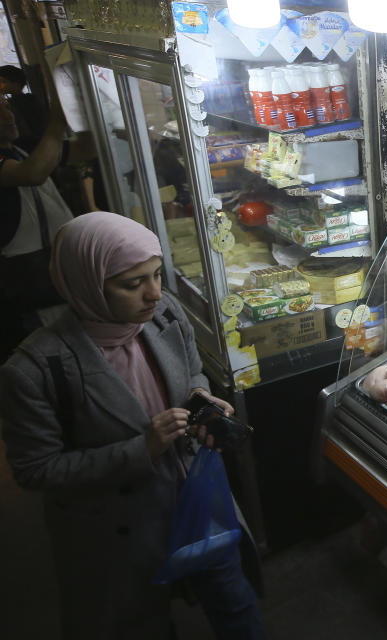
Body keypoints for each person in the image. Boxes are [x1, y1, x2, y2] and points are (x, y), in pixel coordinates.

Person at [0, 211, 265, 640]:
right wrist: (142, 448)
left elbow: (192, 372)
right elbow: (36, 469)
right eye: (132, 283)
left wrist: (201, 400)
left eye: (157, 274)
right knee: (141, 622)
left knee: (234, 601)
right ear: (86, 284)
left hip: (196, 499)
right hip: (120, 527)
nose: (154, 293)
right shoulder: (34, 370)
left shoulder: (163, 315)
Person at [0, 69, 74, 360]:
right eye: (0, 112)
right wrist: (57, 121)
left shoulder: (23, 148)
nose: (10, 116)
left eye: (7, 107)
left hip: (60, 273)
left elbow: (80, 150)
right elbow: (33, 173)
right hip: (29, 286)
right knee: (50, 355)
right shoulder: (13, 162)